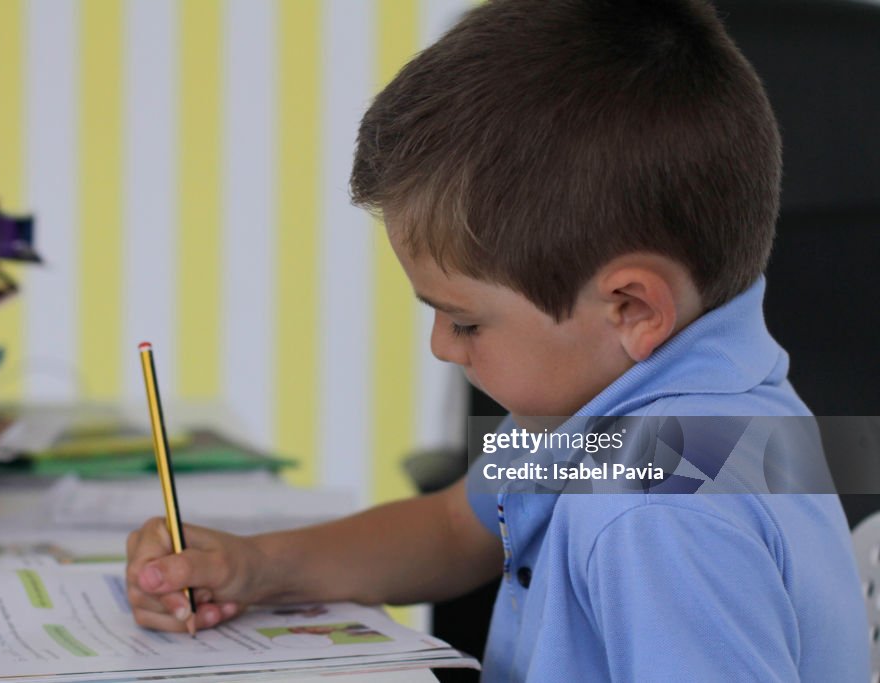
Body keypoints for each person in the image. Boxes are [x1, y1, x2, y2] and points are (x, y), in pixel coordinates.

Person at [125, 0, 869, 679]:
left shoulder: (659, 507)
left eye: (466, 320)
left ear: (633, 307)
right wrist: (255, 566)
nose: (442, 347)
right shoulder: (625, 415)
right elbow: (457, 524)